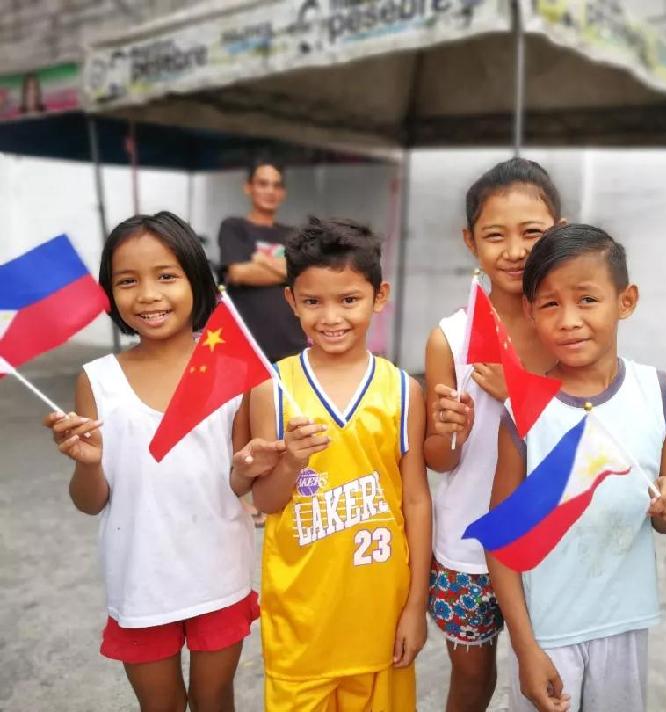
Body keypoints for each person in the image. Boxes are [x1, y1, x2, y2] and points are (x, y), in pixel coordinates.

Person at [44, 212, 282, 711]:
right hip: (140, 583)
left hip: (219, 575)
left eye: (166, 275)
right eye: (127, 281)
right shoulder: (98, 380)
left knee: (214, 699)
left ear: (196, 279)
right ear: (110, 293)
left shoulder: (231, 369)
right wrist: (88, 465)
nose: (148, 295)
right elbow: (90, 503)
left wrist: (254, 466)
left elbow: (238, 483)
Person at [488, 223, 666, 712]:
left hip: (624, 626)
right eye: (550, 304)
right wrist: (525, 648)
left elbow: (664, 516)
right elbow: (502, 541)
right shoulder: (525, 412)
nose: (569, 320)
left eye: (587, 300)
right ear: (531, 312)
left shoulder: (661, 394)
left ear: (626, 301)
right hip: (547, 633)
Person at [248, 217, 432, 711]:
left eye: (349, 299)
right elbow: (265, 500)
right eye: (313, 302)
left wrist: (415, 606)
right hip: (300, 624)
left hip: (380, 617)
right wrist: (290, 463)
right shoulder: (272, 390)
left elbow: (416, 501)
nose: (331, 317)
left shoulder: (403, 391)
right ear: (292, 301)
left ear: (379, 296)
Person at [424, 157, 562, 712]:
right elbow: (438, 459)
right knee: (472, 681)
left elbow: (587, 430)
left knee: (552, 677)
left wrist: (519, 394)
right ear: (470, 241)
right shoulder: (449, 338)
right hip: (468, 546)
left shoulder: (571, 328)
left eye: (532, 232)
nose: (515, 250)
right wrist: (449, 431)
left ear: (559, 229)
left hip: (552, 542)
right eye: (495, 235)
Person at [218, 158, 307, 363]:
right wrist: (287, 271)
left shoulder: (294, 235)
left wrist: (262, 261)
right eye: (263, 183)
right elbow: (238, 273)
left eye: (276, 185)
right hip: (245, 345)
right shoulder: (234, 227)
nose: (270, 191)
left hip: (291, 344)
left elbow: (303, 276)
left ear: (283, 193)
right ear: (248, 187)